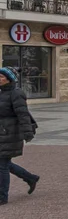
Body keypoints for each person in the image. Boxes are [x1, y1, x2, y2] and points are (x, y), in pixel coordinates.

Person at [0, 67, 39, 206]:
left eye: (1, 77)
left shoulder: (16, 94)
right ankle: (30, 178)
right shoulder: (2, 92)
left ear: (9, 79)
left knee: (2, 165)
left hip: (9, 133)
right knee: (4, 164)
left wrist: (27, 133)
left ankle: (2, 197)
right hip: (2, 132)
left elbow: (23, 114)